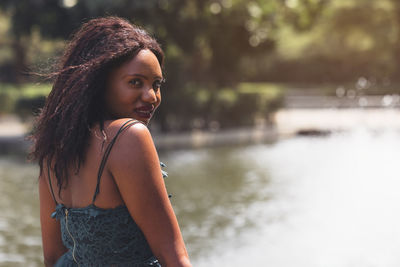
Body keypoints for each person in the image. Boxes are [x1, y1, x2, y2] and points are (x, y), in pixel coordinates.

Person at [30, 17, 192, 266]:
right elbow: (173, 255)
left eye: (156, 84)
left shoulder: (53, 151)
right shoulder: (129, 136)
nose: (151, 96)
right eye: (135, 82)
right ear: (99, 83)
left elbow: (53, 259)